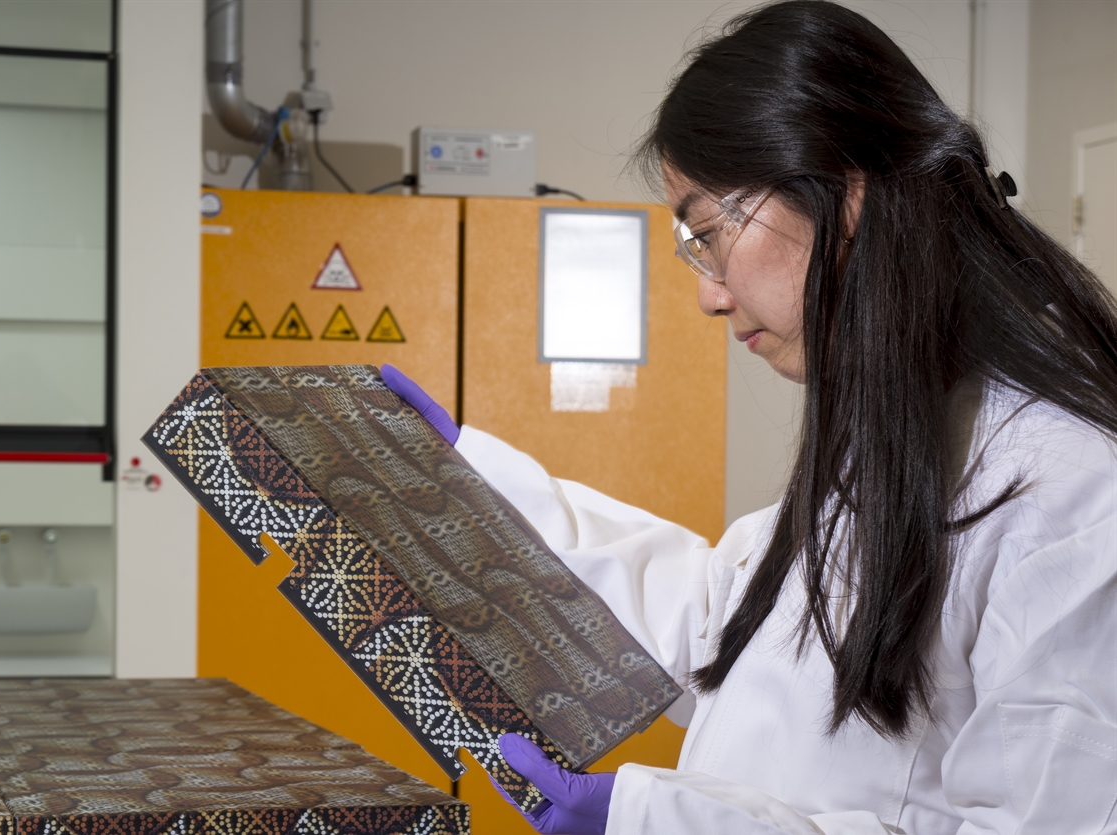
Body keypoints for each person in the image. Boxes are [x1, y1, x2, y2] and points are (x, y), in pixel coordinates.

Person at [385, 2, 1117, 833]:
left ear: (844, 197)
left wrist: (658, 823)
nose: (707, 292)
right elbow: (725, 621)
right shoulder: (899, 437)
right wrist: (468, 487)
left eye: (706, 232)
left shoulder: (1069, 490)